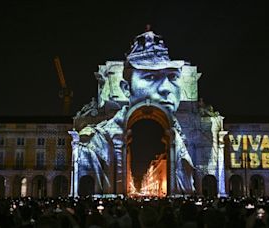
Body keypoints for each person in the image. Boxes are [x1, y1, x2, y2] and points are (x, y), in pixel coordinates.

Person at [76, 30, 195, 194]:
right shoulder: (94, 143)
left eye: (173, 76)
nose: (166, 88)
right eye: (150, 78)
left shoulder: (178, 134)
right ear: (125, 88)